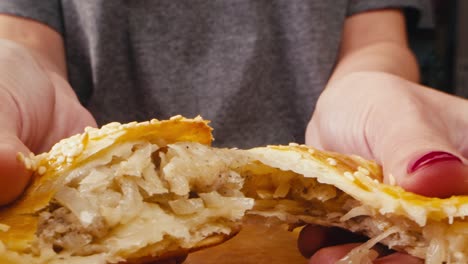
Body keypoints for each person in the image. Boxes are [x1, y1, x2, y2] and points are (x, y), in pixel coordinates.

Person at [0, 1, 466, 263]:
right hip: (71, 182)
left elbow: (378, 42)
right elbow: (25, 40)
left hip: (326, 202)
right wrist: (11, 75)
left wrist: (374, 88)